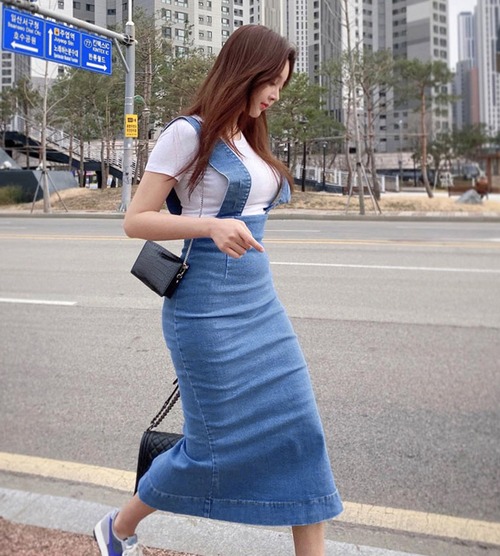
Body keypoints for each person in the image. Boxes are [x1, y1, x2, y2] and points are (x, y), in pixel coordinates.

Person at [94, 24, 343, 556]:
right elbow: (136, 220)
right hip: (204, 311)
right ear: (244, 73)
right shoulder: (187, 134)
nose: (276, 94)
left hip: (261, 306)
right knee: (211, 445)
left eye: (282, 85)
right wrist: (208, 226)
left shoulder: (249, 136)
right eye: (271, 82)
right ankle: (117, 527)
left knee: (301, 431)